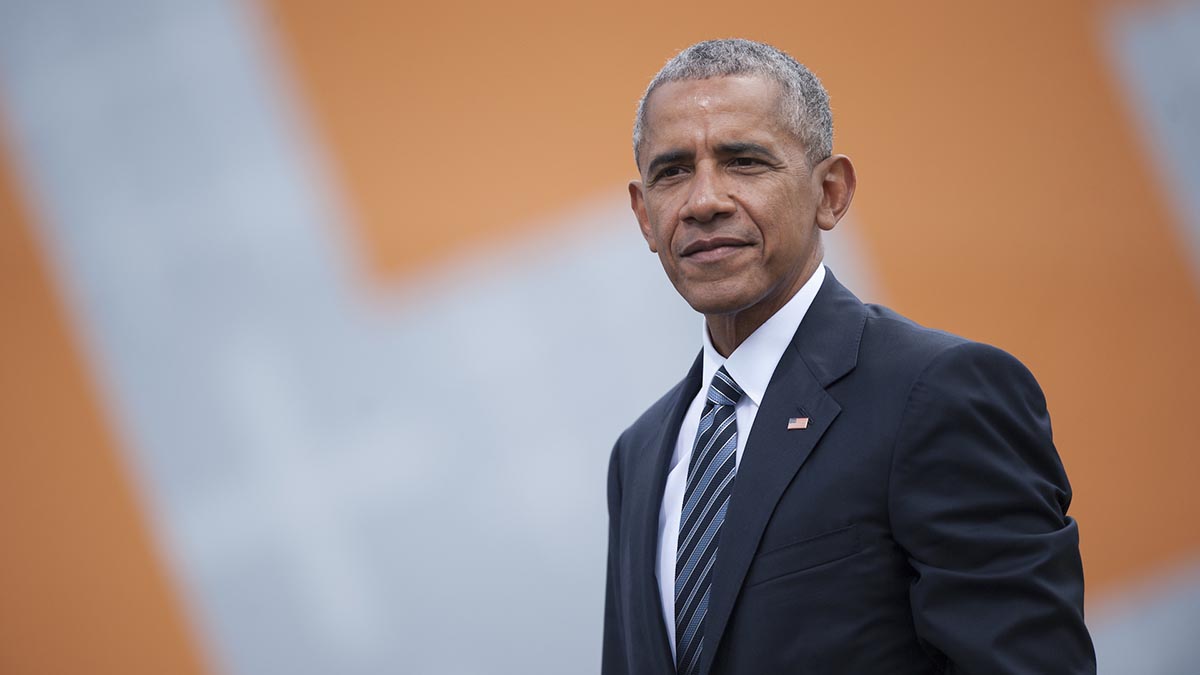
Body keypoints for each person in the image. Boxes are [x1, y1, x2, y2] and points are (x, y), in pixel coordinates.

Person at [602, 38, 1095, 675]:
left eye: (744, 162)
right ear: (644, 216)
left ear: (830, 193)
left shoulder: (938, 393)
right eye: (672, 172)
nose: (703, 201)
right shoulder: (639, 455)